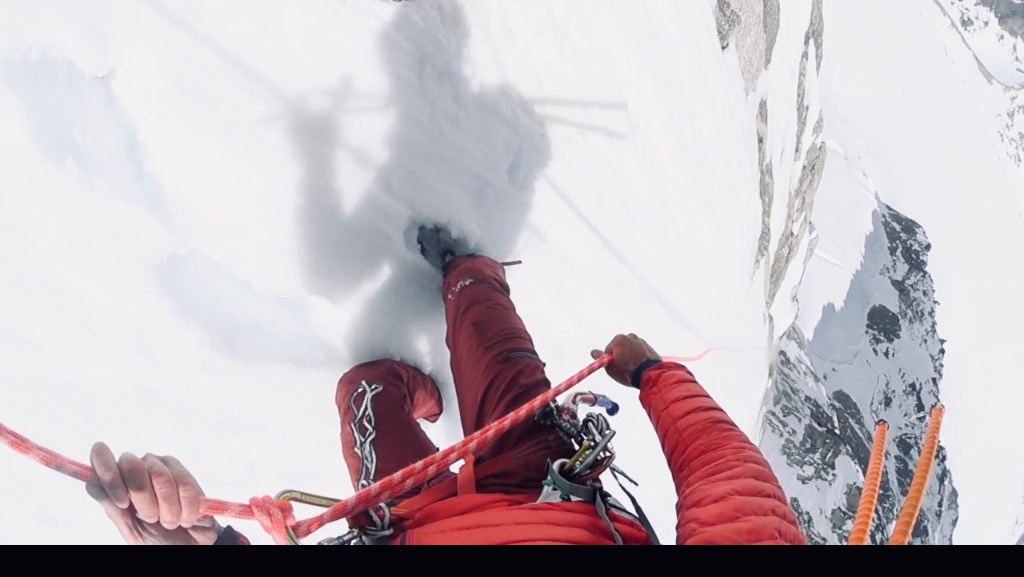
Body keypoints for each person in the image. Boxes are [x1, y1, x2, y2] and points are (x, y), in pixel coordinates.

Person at [86, 227, 808, 545]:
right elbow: (730, 498)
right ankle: (469, 273)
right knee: (491, 342)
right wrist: (656, 377)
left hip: (410, 528)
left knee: (367, 393)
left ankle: (417, 372)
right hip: (549, 492)